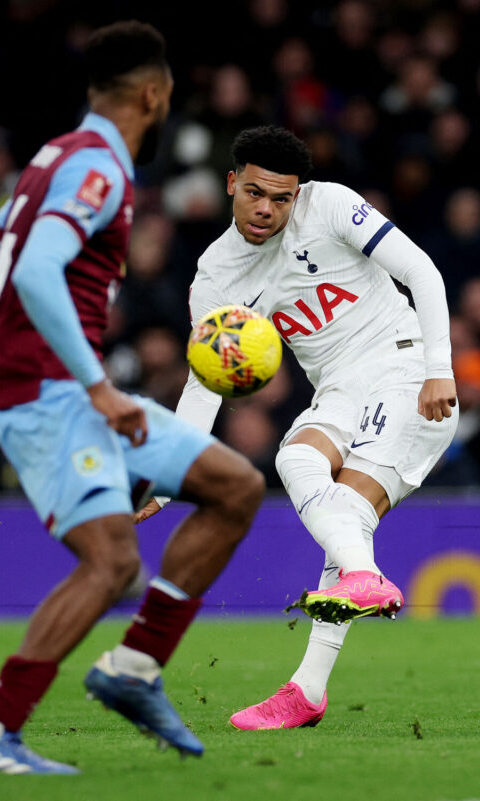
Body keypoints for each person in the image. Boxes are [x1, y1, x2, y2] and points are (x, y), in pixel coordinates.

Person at [0, 22, 264, 775]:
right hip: (47, 395)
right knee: (109, 564)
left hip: (59, 388)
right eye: (168, 96)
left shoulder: (51, 161)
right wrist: (101, 388)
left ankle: (134, 667)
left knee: (235, 486)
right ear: (153, 94)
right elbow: (36, 273)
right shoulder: (99, 166)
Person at [137, 125, 458, 729]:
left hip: (407, 368)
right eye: (255, 192)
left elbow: (425, 274)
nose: (266, 209)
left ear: (298, 195)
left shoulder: (331, 204)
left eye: (281, 199)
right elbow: (205, 380)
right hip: (339, 389)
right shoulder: (215, 278)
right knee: (296, 464)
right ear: (231, 183)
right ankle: (312, 682)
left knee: (348, 522)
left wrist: (439, 368)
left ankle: (321, 660)